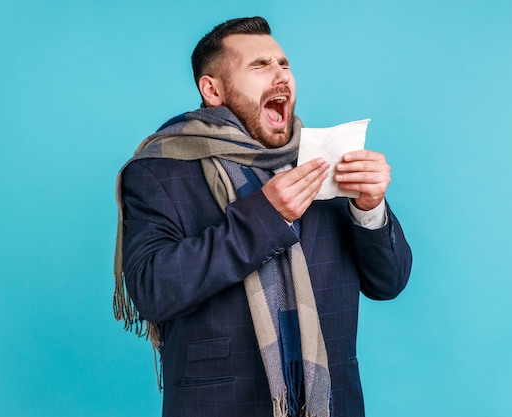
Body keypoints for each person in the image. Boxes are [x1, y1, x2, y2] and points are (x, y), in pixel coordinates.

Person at [113, 16, 412, 417]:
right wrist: (265, 216)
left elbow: (387, 282)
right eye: (260, 66)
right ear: (213, 89)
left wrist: (370, 207)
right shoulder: (160, 169)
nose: (281, 76)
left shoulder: (320, 160)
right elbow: (152, 290)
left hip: (329, 402)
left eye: (284, 64)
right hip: (220, 405)